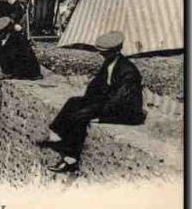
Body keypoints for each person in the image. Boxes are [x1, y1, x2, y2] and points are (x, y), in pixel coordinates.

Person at [37, 31, 145, 172]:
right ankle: (56, 134)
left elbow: (119, 100)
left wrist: (98, 114)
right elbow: (96, 85)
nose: (102, 55)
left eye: (105, 53)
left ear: (117, 50)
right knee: (73, 102)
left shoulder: (128, 71)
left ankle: (70, 159)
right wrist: (87, 100)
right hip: (111, 103)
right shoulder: (111, 62)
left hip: (126, 112)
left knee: (81, 116)